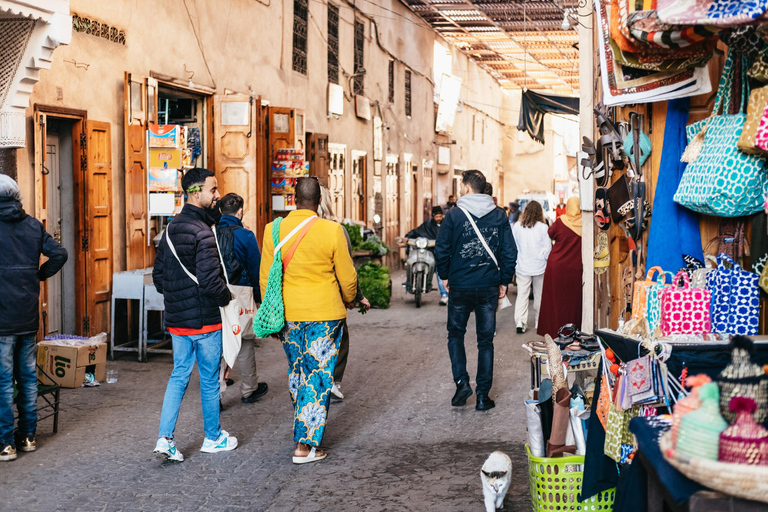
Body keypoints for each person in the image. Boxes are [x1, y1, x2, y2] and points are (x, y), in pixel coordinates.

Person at [260, 177, 357, 464]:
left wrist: (274, 315)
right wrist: (351, 298)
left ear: (294, 198)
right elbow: (348, 278)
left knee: (298, 371)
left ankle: (305, 424)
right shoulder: (332, 231)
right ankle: (305, 445)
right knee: (317, 375)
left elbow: (266, 278)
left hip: (289, 314)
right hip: (325, 315)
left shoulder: (273, 230)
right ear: (319, 201)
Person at [152, 167, 237, 463]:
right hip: (205, 320)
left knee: (178, 376)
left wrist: (179, 299)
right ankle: (213, 438)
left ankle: (165, 438)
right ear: (195, 192)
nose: (217, 196)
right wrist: (228, 299)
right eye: (213, 190)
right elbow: (213, 282)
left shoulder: (171, 229)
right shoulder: (203, 233)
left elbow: (159, 277)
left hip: (178, 322)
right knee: (210, 379)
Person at [435, 170, 517, 411]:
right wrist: (504, 281)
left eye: (461, 185)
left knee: (455, 334)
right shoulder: (499, 215)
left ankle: (461, 382)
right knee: (485, 341)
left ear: (467, 188)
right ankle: (483, 396)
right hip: (488, 286)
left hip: (460, 285)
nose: (460, 188)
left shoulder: (454, 215)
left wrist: (445, 276)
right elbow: (509, 252)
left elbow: (442, 249)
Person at [0, 175, 67, 462]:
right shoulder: (32, 226)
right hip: (27, 313)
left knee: (3, 380)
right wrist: (38, 275)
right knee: (28, 377)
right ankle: (28, 436)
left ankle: (5, 443)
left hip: (1, 316)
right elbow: (60, 254)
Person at [317, 186, 370, 400]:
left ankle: (310, 380)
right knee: (339, 339)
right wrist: (355, 297)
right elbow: (347, 271)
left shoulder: (285, 228)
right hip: (330, 299)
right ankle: (331, 381)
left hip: (297, 300)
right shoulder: (336, 230)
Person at [216, 193, 269, 404]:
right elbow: (256, 270)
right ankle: (249, 389)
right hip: (242, 293)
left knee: (219, 342)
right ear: (240, 212)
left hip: (217, 292)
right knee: (245, 340)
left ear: (220, 211)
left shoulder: (210, 233)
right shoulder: (246, 236)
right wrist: (259, 298)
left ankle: (216, 395)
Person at [537, 197, 583, 337]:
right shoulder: (584, 223)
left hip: (556, 267)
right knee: (572, 302)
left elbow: (550, 233)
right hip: (575, 268)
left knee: (554, 301)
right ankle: (572, 331)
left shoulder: (561, 221)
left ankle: (554, 332)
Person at [511, 200, 551, 334]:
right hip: (539, 267)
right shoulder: (543, 227)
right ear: (540, 212)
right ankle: (539, 322)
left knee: (522, 295)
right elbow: (548, 249)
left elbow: (513, 246)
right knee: (539, 296)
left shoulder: (517, 226)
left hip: (522, 266)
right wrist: (541, 258)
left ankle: (520, 322)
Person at [405, 206, 448, 305]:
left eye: (440, 216)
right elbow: (416, 231)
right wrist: (407, 237)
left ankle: (444, 295)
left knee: (440, 272)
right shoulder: (427, 225)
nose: (438, 218)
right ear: (433, 216)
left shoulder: (447, 224)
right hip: (430, 252)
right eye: (436, 216)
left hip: (442, 253)